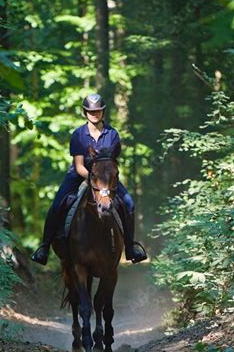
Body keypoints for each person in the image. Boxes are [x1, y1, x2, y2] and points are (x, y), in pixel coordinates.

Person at [31, 93, 148, 266]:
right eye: (90, 111)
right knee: (57, 204)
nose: (94, 114)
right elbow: (79, 165)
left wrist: (103, 183)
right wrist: (94, 180)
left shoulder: (112, 134)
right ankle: (45, 247)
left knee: (129, 203)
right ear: (85, 112)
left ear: (103, 112)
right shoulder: (78, 135)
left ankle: (130, 248)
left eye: (98, 111)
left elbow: (113, 163)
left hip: (107, 179)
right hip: (80, 175)